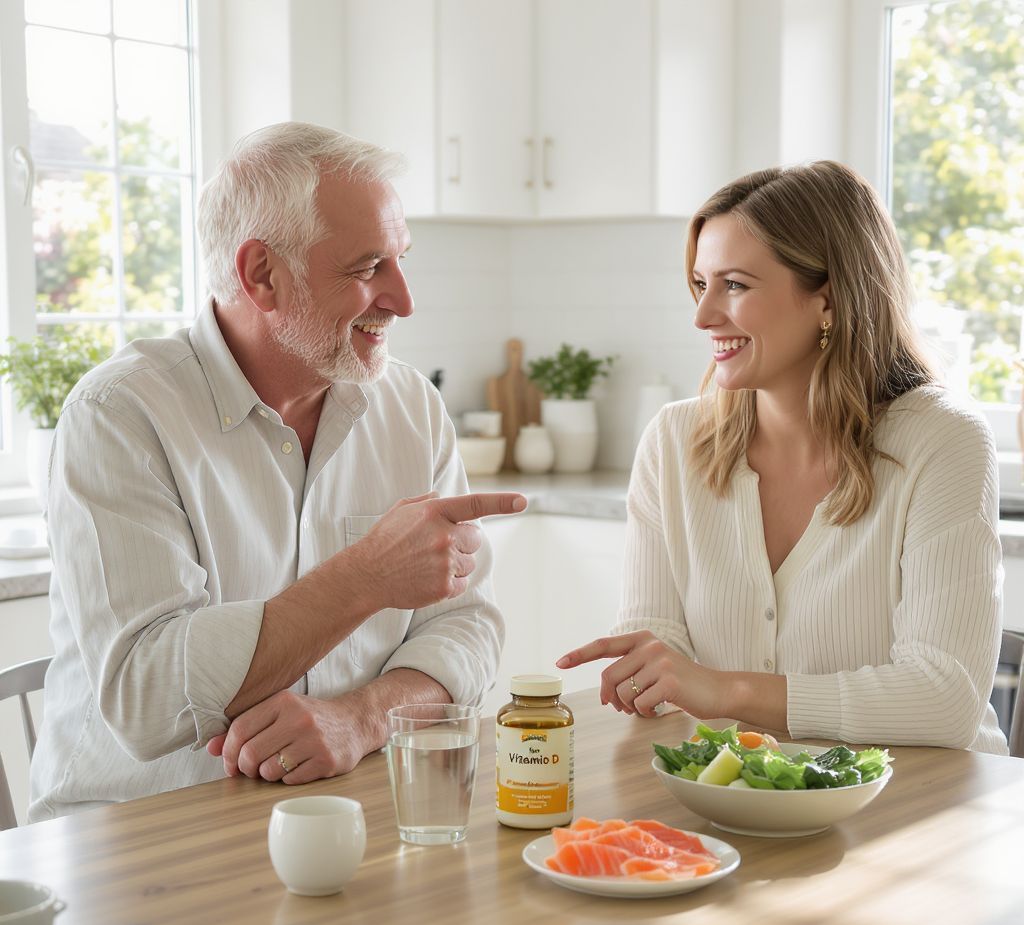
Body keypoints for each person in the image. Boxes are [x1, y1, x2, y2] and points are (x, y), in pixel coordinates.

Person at [28, 122, 526, 821]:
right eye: (367, 268)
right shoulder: (120, 415)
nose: (403, 300)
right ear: (262, 273)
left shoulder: (409, 405)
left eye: (400, 260)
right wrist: (365, 577)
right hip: (138, 839)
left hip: (344, 814)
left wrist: (362, 717)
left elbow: (468, 626)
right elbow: (146, 699)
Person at [557, 160, 1007, 753]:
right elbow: (660, 655)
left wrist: (729, 692)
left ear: (828, 300)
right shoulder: (672, 443)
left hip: (926, 806)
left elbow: (944, 700)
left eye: (735, 285)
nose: (703, 315)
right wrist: (648, 678)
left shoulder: (942, 441)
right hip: (744, 800)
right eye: (700, 284)